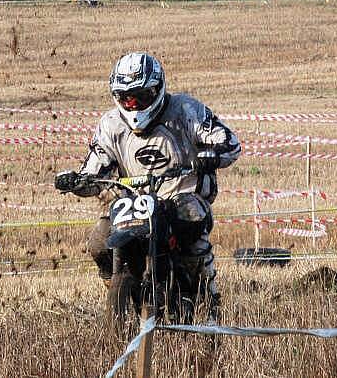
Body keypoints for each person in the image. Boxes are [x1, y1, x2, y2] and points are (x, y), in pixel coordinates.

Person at [54, 52, 241, 319]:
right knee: (98, 243)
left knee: (194, 225)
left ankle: (208, 298)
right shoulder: (111, 125)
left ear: (156, 89)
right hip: (132, 201)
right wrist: (76, 181)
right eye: (125, 98)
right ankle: (117, 290)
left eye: (140, 96)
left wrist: (212, 154)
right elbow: (94, 170)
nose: (133, 105)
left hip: (181, 194)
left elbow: (230, 143)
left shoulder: (186, 110)